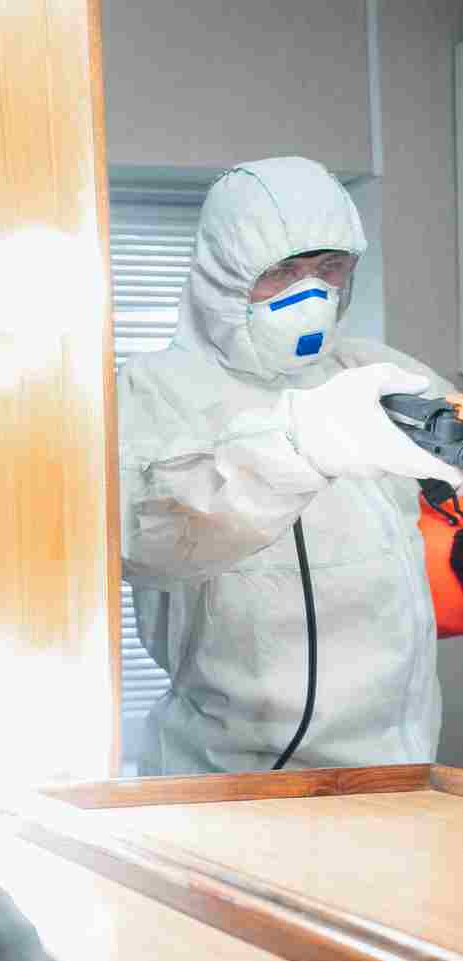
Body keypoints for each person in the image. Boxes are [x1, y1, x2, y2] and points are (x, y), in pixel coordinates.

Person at [121, 155, 462, 776]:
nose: (313, 292)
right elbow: (146, 542)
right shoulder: (156, 391)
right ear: (223, 275)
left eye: (329, 267)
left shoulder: (373, 370)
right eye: (281, 272)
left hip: (399, 763)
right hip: (228, 777)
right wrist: (301, 447)